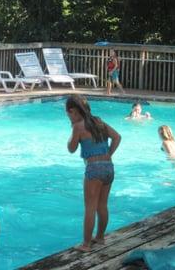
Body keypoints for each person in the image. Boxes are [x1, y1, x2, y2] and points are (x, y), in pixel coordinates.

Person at [66, 96, 121, 252]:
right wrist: (109, 154)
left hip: (94, 169)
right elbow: (117, 137)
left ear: (73, 111)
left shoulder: (78, 126)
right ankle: (100, 237)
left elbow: (71, 148)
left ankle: (86, 244)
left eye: (68, 114)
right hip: (108, 167)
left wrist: (73, 130)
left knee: (90, 207)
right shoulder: (99, 122)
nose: (69, 117)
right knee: (102, 205)